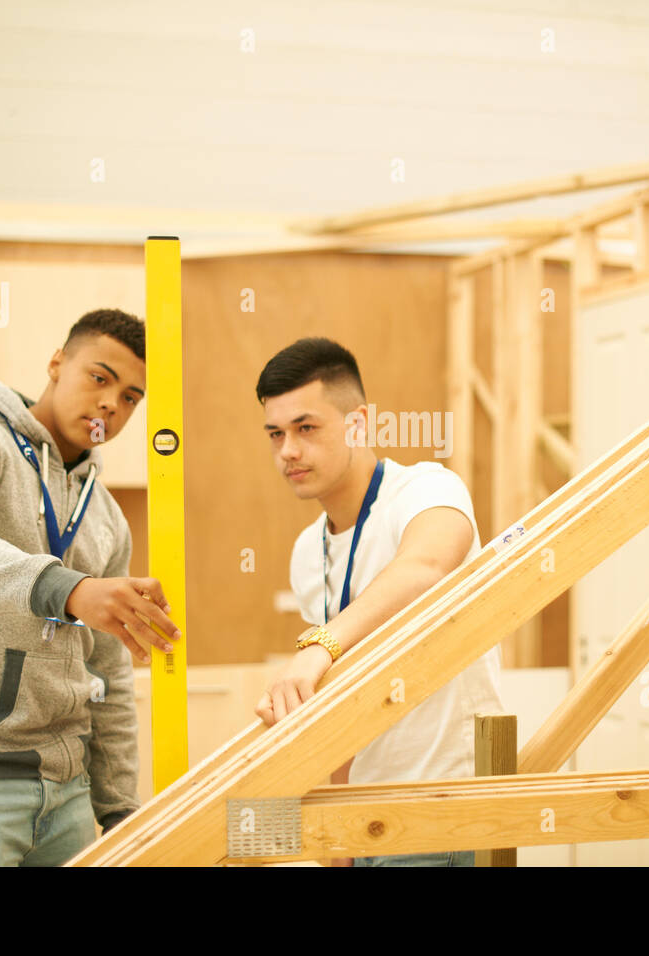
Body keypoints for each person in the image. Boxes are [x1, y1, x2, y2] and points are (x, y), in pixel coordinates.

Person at [0, 308, 181, 866]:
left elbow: (109, 675)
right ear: (56, 363)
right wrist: (68, 589)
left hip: (68, 790)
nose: (110, 406)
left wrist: (119, 806)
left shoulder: (106, 516)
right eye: (100, 378)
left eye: (130, 397)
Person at [254, 336, 504, 867]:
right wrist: (337, 825)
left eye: (306, 427)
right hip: (364, 819)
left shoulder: (426, 489)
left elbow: (427, 565)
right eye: (275, 434)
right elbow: (337, 697)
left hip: (440, 811)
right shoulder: (307, 551)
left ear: (358, 423)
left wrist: (320, 644)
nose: (289, 451)